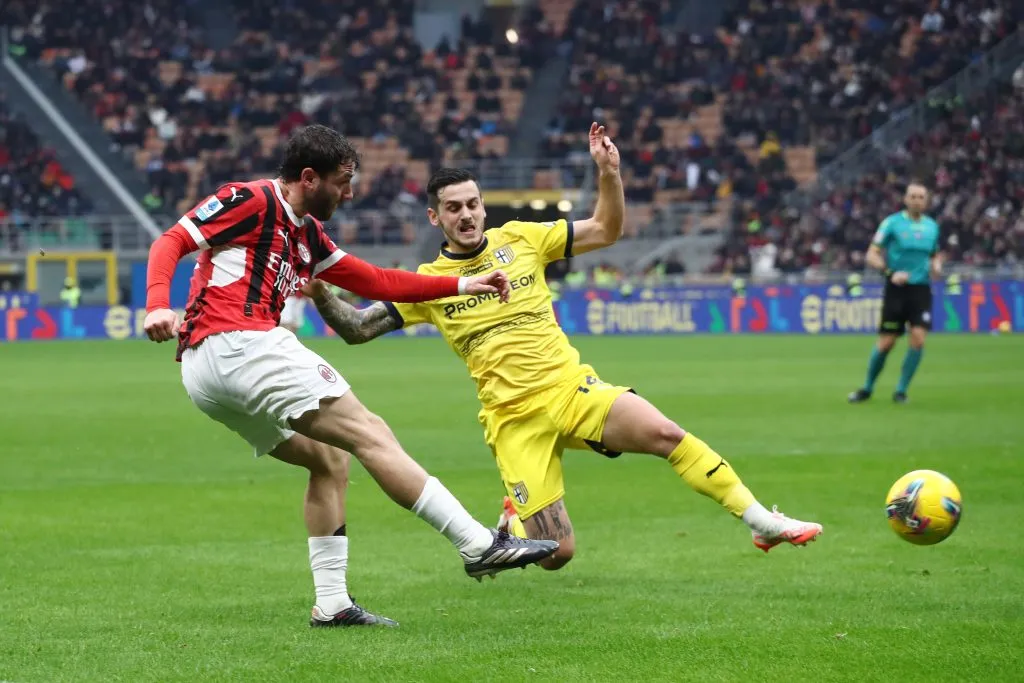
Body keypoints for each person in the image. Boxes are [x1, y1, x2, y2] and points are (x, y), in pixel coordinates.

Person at [305, 123, 822, 571]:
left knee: (666, 432)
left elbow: (606, 230)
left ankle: (760, 521)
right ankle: (515, 517)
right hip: (513, 421)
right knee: (558, 554)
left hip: (571, 389)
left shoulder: (523, 239)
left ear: (483, 206)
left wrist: (609, 174)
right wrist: (323, 294)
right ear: (433, 218)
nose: (467, 215)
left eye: (473, 203)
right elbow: (357, 329)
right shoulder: (430, 282)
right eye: (453, 208)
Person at [142, 125, 559, 628]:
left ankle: (332, 603)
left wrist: (463, 281)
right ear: (310, 178)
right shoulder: (249, 199)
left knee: (328, 461)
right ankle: (478, 545)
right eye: (343, 182)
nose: (350, 192)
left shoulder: (309, 233)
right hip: (239, 343)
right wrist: (157, 306)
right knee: (371, 433)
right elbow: (172, 241)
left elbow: (375, 281)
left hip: (206, 374)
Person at [848, 182, 942, 404]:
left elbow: (935, 254)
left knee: (918, 339)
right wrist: (890, 272)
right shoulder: (892, 223)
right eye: (913, 197)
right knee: (887, 342)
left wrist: (937, 266)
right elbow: (872, 254)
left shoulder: (932, 227)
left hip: (920, 289)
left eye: (921, 197)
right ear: (905, 199)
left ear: (926, 201)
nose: (917, 200)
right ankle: (867, 388)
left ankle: (901, 391)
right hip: (896, 289)